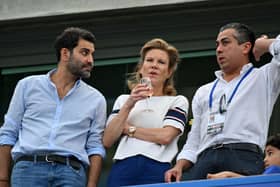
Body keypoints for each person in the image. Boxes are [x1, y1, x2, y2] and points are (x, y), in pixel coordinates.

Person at [165, 22, 280, 182]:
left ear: (246, 47)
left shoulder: (263, 77)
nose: (219, 49)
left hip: (243, 156)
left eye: (226, 43)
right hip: (205, 159)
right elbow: (195, 139)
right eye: (217, 44)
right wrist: (179, 165)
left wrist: (264, 44)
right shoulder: (204, 91)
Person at [0, 27, 107, 187]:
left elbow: (95, 147)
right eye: (85, 53)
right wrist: (3, 179)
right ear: (65, 54)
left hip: (71, 173)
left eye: (92, 54)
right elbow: (9, 132)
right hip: (28, 170)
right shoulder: (27, 86)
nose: (91, 60)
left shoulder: (96, 99)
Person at [103, 38, 189, 186]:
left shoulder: (177, 101)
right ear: (141, 68)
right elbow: (108, 139)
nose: (154, 65)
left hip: (157, 167)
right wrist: (129, 104)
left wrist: (128, 129)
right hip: (123, 167)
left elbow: (165, 136)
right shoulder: (124, 100)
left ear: (168, 72)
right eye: (149, 60)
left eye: (161, 62)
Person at [207, 134, 280, 179]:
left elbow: (257, 184)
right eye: (265, 155)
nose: (265, 160)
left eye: (270, 153)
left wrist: (228, 175)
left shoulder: (274, 170)